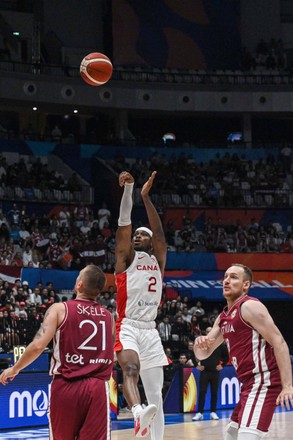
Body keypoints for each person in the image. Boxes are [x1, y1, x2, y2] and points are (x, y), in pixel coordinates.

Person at [0, 264, 115, 440]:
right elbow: (110, 353)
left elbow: (38, 345)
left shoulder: (60, 309)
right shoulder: (108, 316)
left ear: (79, 285)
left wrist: (15, 368)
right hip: (97, 387)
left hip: (66, 385)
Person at [194, 263, 293, 440]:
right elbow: (203, 353)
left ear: (245, 285)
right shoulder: (224, 316)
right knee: (232, 433)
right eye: (225, 276)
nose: (226, 280)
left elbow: (280, 343)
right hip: (247, 384)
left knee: (246, 436)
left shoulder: (249, 307)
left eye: (233, 277)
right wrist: (199, 341)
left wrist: (287, 386)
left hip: (263, 381)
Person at [115, 170, 168, 439]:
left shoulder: (158, 260)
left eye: (142, 235)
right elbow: (123, 224)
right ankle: (136, 411)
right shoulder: (125, 259)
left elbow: (159, 233)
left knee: (156, 395)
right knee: (131, 369)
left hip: (151, 329)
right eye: (136, 234)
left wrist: (145, 197)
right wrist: (130, 190)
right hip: (127, 325)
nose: (137, 236)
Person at [192, 326, 229, 421]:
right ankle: (199, 412)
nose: (209, 333)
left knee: (214, 392)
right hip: (205, 372)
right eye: (207, 331)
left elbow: (227, 356)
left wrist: (222, 365)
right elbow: (193, 354)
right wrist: (196, 365)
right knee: (202, 392)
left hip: (215, 372)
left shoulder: (220, 346)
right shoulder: (202, 345)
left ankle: (213, 412)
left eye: (211, 331)